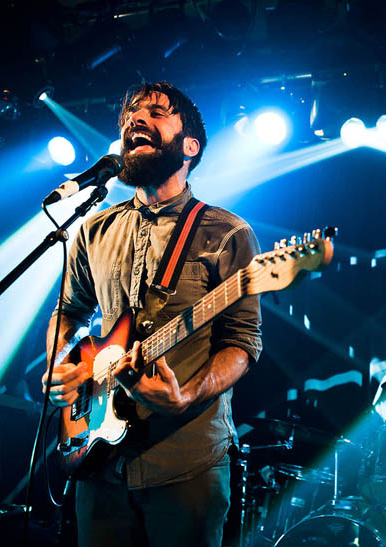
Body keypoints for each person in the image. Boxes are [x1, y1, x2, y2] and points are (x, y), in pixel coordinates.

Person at [43, 81, 262, 547]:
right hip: (97, 461)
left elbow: (243, 342)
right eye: (130, 115)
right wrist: (66, 364)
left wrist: (189, 395)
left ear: (190, 146)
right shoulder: (94, 228)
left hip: (185, 462)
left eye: (156, 112)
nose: (134, 120)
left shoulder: (226, 233)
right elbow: (67, 310)